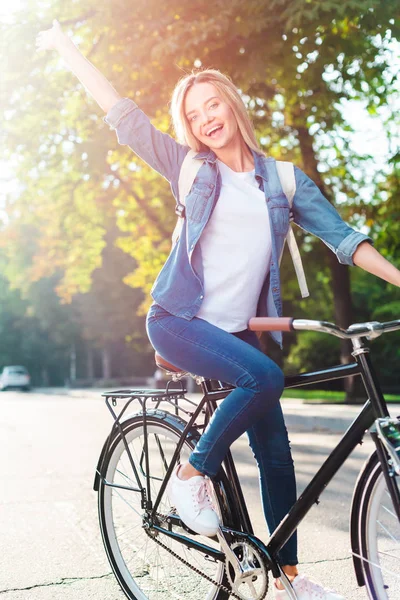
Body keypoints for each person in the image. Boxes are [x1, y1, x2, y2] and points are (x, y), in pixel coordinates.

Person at [36, 19, 400, 600]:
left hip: (241, 332)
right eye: (194, 112)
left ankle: (285, 579)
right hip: (179, 323)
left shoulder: (281, 179)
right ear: (190, 126)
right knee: (265, 377)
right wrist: (68, 48)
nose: (206, 117)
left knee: (277, 459)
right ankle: (191, 474)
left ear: (231, 105)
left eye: (213, 104)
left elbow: (344, 238)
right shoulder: (188, 169)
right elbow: (124, 117)